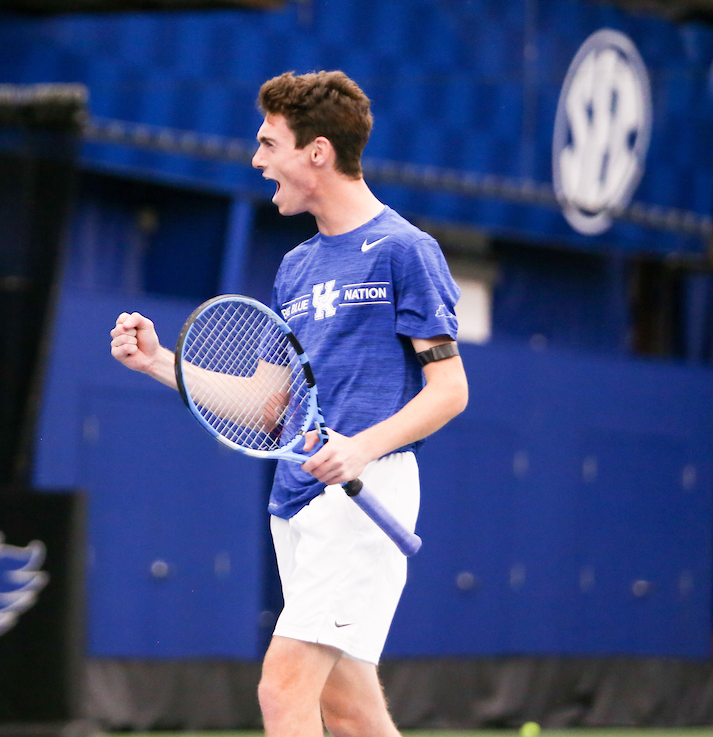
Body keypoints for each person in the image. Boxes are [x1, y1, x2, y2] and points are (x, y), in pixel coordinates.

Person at [109, 70, 469, 737]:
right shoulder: (296, 269)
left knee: (282, 691)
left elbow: (449, 391)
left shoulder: (405, 251)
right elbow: (268, 408)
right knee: (348, 707)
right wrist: (158, 361)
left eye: (268, 142)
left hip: (369, 488)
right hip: (295, 500)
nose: (256, 159)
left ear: (317, 153)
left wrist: (362, 446)